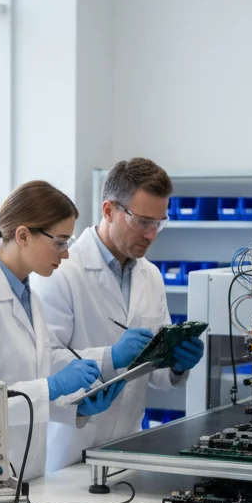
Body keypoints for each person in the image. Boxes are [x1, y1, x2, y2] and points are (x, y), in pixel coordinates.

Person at [0, 180, 125, 480]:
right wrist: (51, 386)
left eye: (68, 243)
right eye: (60, 242)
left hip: (26, 475)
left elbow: (27, 386)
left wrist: (78, 407)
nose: (65, 254)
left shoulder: (30, 298)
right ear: (23, 235)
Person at [33, 158, 205, 471]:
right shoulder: (61, 271)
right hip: (68, 452)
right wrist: (110, 356)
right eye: (143, 222)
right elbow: (44, 363)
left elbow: (155, 374)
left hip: (127, 449)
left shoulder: (150, 276)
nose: (152, 235)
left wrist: (175, 364)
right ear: (110, 210)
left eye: (159, 223)